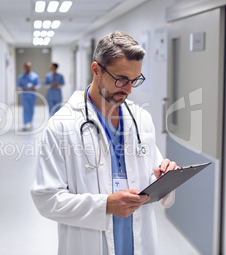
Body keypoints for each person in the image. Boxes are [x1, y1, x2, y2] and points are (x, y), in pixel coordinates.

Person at [31, 31, 179, 255]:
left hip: (136, 240)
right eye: (121, 79)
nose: (128, 89)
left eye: (134, 80)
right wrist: (106, 205)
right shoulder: (62, 125)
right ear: (96, 70)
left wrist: (163, 177)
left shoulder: (141, 119)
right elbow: (46, 198)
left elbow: (149, 174)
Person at [17, 62, 41, 130]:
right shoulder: (21, 77)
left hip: (32, 95)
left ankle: (30, 122)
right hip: (24, 95)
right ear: (24, 67)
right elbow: (18, 86)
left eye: (29, 67)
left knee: (31, 109)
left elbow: (38, 85)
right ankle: (25, 123)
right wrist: (22, 88)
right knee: (25, 109)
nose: (28, 68)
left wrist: (34, 87)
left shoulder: (35, 76)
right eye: (26, 67)